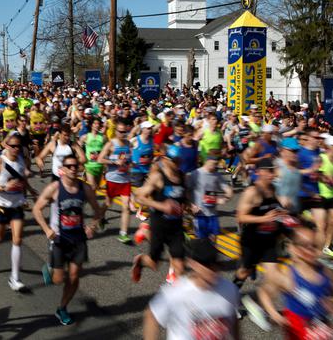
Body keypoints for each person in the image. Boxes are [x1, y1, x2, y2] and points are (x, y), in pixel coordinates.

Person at [32, 154, 103, 326]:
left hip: (78, 239)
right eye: (69, 166)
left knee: (74, 276)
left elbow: (98, 210)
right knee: (58, 280)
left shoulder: (85, 188)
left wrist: (92, 226)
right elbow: (36, 209)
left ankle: (62, 308)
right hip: (59, 238)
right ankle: (49, 269)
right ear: (62, 170)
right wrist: (47, 229)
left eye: (75, 166)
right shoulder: (54, 188)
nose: (73, 169)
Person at [258, 224, 333, 339]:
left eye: (314, 245)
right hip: (297, 330)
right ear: (293, 248)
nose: (310, 249)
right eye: (304, 245)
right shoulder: (287, 277)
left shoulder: (325, 272)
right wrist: (274, 314)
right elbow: (264, 292)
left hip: (319, 328)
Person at [143, 238, 240, 340]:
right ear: (193, 264)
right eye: (206, 264)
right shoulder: (175, 293)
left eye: (215, 263)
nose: (212, 270)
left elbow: (233, 319)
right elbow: (151, 315)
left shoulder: (230, 289)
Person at [132, 145, 187, 282]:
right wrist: (161, 205)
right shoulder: (158, 177)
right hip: (159, 226)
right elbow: (139, 197)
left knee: (180, 266)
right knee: (154, 264)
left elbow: (185, 197)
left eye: (179, 160)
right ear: (166, 160)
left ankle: (181, 300)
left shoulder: (182, 177)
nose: (177, 164)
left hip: (176, 227)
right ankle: (140, 260)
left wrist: (191, 206)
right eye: (174, 160)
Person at [0, 131, 32, 292]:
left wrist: (29, 193)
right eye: (13, 146)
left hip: (17, 205)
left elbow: (23, 180)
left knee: (17, 239)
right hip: (1, 205)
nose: (16, 149)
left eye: (19, 146)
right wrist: (4, 187)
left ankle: (15, 277)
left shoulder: (21, 160)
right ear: (6, 145)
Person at [233, 158, 285, 297]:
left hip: (269, 241)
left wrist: (284, 213)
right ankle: (230, 296)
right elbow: (240, 217)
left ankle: (262, 305)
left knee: (273, 275)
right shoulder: (252, 191)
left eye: (273, 170)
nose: (272, 174)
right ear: (259, 172)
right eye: (269, 171)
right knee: (244, 272)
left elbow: (276, 208)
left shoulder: (273, 188)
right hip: (251, 240)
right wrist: (264, 218)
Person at [97, 118, 133, 243]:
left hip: (125, 180)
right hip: (112, 179)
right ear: (116, 131)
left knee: (126, 208)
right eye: (120, 131)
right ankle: (100, 217)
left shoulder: (128, 144)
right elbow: (100, 159)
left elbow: (130, 160)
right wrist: (114, 161)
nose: (123, 134)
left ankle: (123, 233)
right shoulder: (111, 144)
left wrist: (130, 165)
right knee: (107, 203)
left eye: (125, 132)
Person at [187, 150, 233, 242]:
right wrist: (191, 205)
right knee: (202, 241)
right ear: (207, 161)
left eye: (217, 164)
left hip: (213, 214)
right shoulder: (195, 174)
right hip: (200, 214)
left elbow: (228, 190)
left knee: (214, 239)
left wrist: (225, 198)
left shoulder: (217, 175)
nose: (215, 166)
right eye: (214, 164)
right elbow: (186, 191)